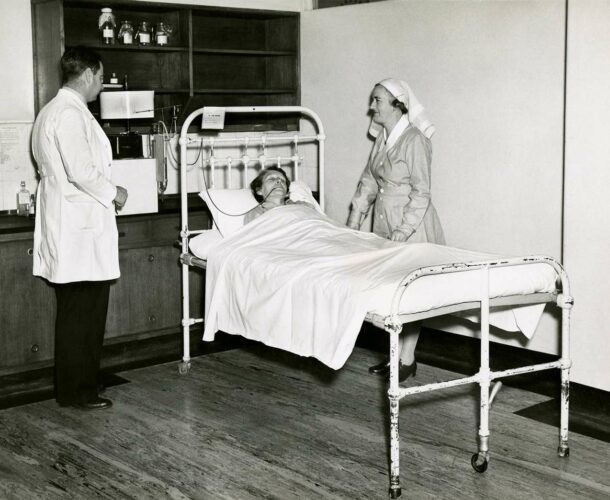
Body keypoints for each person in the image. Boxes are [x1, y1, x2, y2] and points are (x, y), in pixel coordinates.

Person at [31, 46, 128, 410]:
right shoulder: (69, 114)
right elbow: (81, 171)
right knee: (81, 315)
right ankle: (78, 391)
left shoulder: (54, 111)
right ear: (87, 74)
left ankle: (82, 384)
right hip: (78, 227)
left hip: (72, 224)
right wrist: (114, 192)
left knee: (79, 313)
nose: (101, 86)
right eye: (101, 78)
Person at [347, 78, 445, 382]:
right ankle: (395, 358)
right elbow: (369, 181)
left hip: (411, 223)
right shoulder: (383, 138)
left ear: (397, 105)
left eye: (377, 100)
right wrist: (354, 221)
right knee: (391, 290)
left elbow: (422, 192)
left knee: (411, 292)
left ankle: (407, 359)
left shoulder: (414, 140)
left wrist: (403, 231)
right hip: (384, 220)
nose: (371, 106)